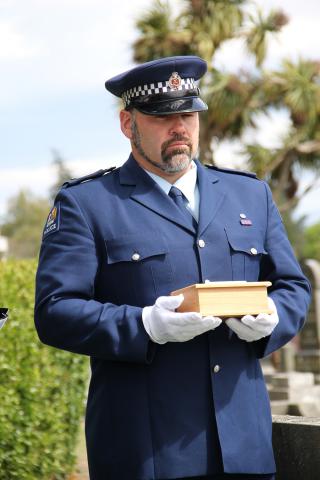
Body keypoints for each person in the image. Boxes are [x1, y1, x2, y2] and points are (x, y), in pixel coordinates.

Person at [35, 55, 311, 480]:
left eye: (189, 114)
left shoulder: (249, 195)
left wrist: (274, 320)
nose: (180, 127)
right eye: (163, 117)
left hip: (244, 451)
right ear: (129, 125)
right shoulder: (87, 204)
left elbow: (293, 286)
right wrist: (145, 325)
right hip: (145, 453)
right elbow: (55, 312)